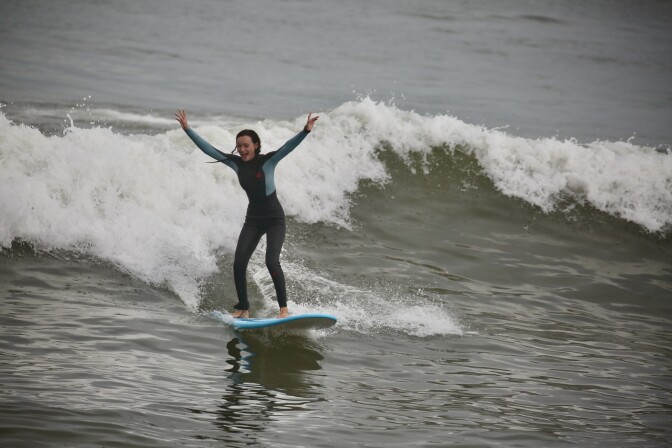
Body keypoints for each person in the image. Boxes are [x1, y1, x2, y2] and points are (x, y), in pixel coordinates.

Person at [175, 110, 318, 319]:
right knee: (239, 263)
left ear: (256, 145)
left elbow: (288, 146)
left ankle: (284, 310)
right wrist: (187, 129)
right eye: (239, 145)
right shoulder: (236, 164)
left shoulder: (268, 161)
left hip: (274, 219)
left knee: (271, 261)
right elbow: (209, 149)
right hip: (253, 219)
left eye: (246, 145)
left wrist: (305, 131)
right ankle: (243, 308)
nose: (242, 149)